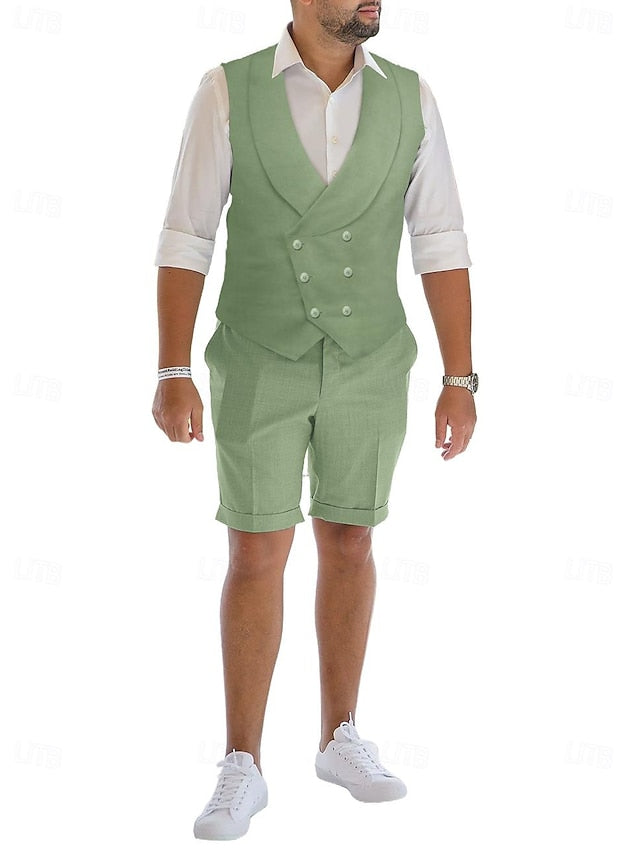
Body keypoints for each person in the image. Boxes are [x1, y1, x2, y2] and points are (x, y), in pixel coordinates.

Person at [151, 0, 477, 841]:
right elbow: (187, 235)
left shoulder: (413, 96)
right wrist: (173, 368)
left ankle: (340, 737)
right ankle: (242, 761)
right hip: (259, 356)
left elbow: (440, 238)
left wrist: (460, 377)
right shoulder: (226, 92)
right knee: (256, 549)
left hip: (371, 358)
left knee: (352, 538)